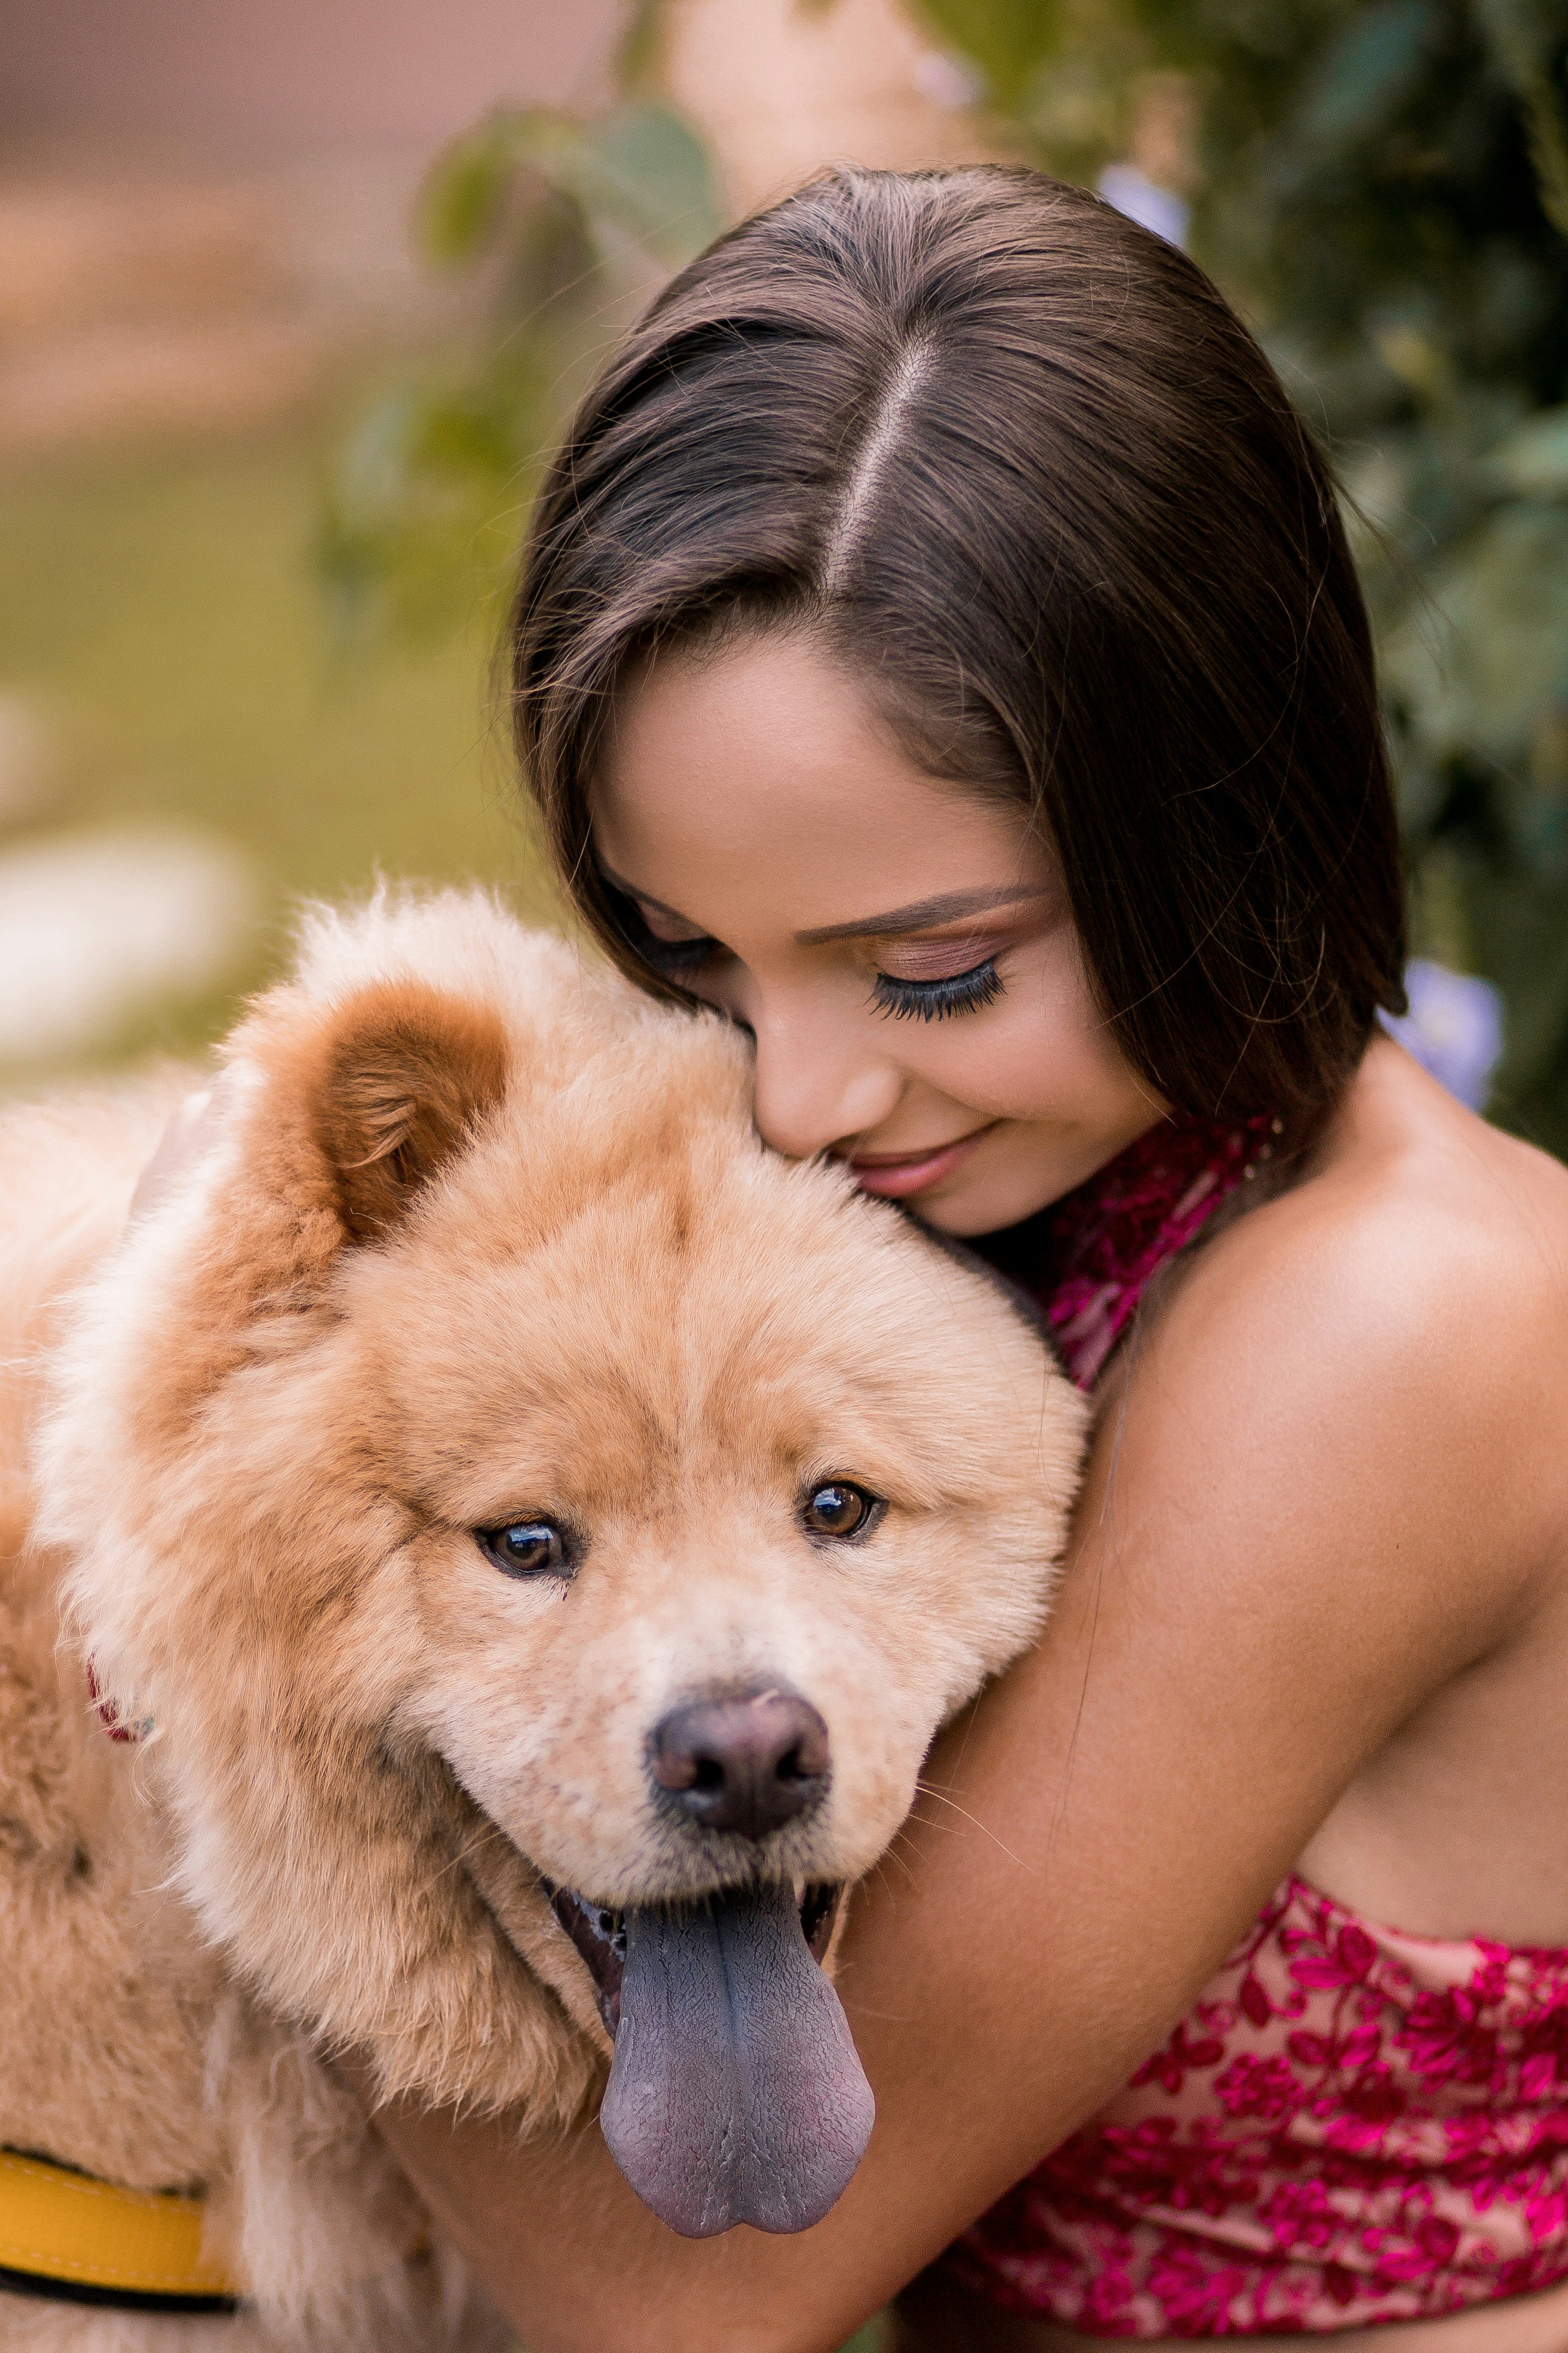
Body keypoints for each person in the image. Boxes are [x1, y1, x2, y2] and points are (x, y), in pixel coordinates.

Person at [344, 163, 1568, 2350]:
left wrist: (198, 1699)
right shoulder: (956, 1199)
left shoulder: (1393, 1322)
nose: (795, 1095)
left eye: (927, 970)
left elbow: (680, 2290)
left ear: (1219, 813)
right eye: (691, 955)